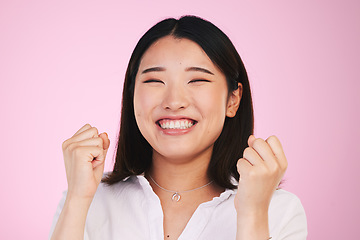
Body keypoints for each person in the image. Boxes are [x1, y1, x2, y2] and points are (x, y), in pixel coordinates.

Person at [50, 15, 307, 240]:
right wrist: (78, 199)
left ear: (233, 100)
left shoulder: (278, 211)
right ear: (132, 95)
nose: (174, 102)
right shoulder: (86, 200)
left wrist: (253, 213)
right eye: (154, 80)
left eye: (197, 80)